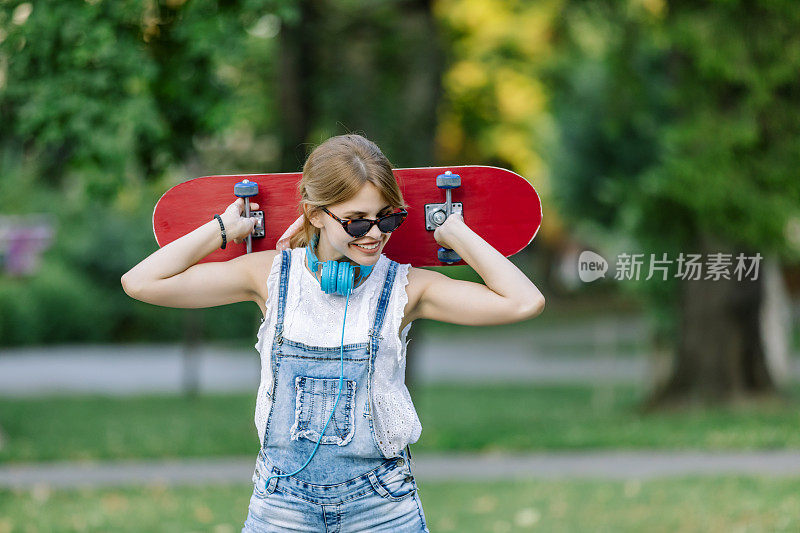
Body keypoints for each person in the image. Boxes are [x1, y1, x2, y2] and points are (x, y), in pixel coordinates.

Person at [121, 134, 545, 532]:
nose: (375, 234)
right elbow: (141, 282)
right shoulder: (269, 276)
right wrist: (223, 229)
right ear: (314, 214)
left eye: (387, 218)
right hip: (282, 503)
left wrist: (454, 231)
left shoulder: (407, 287)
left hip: (381, 504)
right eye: (356, 222)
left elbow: (524, 301)